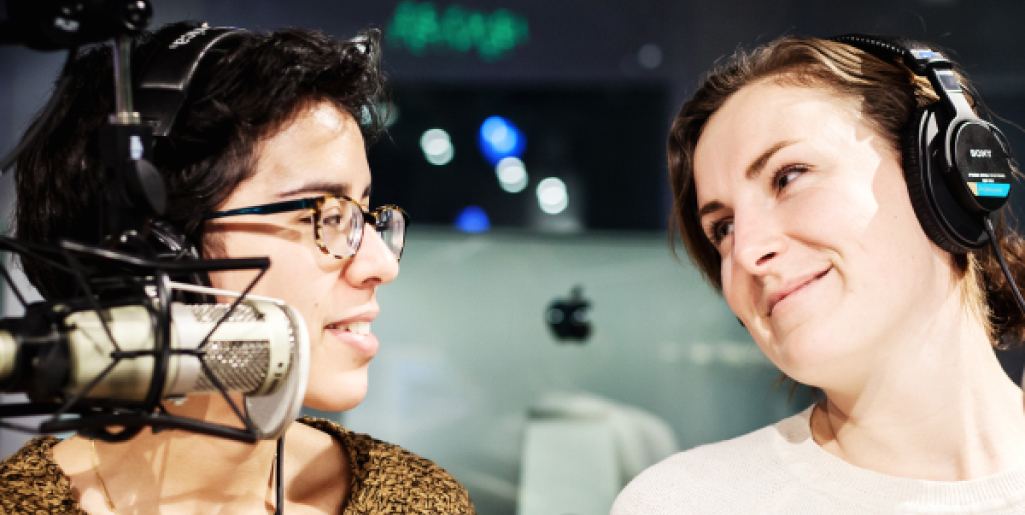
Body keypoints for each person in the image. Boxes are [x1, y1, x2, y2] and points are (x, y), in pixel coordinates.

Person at [0, 21, 475, 514]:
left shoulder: (417, 502)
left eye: (365, 213)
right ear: (159, 254)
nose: (380, 265)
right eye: (329, 216)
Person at [612, 35, 1025, 513]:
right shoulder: (682, 503)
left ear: (943, 182)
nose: (745, 251)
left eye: (788, 177)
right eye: (722, 229)